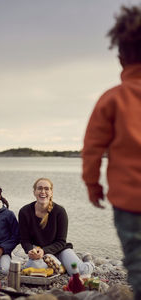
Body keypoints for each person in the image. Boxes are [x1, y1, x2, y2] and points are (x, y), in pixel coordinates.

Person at [81, 5, 141, 300]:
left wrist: (93, 185)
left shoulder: (112, 99)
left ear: (120, 57)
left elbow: (92, 148)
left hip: (130, 204)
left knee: (138, 264)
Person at [18, 177, 94, 276]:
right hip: (40, 253)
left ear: (51, 192)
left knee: (79, 272)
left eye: (46, 189)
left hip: (61, 250)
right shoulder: (25, 212)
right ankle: (62, 266)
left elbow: (61, 241)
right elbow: (24, 240)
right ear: (34, 192)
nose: (43, 191)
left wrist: (44, 250)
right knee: (34, 268)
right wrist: (30, 251)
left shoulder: (60, 212)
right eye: (39, 188)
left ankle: (89, 261)